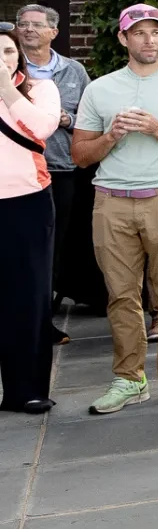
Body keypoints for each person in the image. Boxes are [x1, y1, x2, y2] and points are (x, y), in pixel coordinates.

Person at [71, 4, 158, 413]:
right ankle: (129, 379)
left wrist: (157, 129)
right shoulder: (100, 88)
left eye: (156, 32)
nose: (148, 40)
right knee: (120, 295)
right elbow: (81, 155)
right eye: (139, 33)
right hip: (112, 202)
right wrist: (112, 135)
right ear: (123, 38)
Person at [16, 5, 90, 345]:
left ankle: (42, 320)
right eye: (23, 24)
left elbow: (91, 118)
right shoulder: (10, 68)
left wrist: (67, 121)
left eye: (36, 25)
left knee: (52, 248)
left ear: (53, 32)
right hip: (17, 172)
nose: (28, 29)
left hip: (61, 170)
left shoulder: (74, 71)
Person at [0, 28, 62, 412]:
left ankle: (27, 389)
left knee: (28, 297)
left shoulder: (40, 89)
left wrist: (7, 91)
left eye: (8, 51)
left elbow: (42, 129)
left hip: (27, 203)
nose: (2, 58)